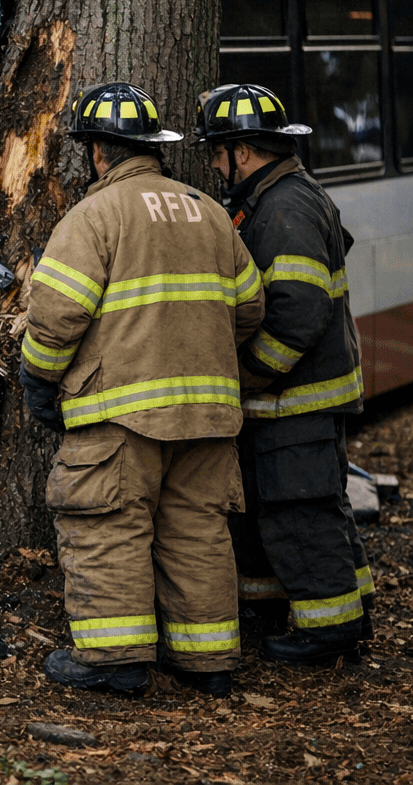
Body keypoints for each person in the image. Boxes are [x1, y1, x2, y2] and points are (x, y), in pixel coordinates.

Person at [19, 82, 264, 698]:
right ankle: (206, 662)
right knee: (197, 530)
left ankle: (114, 660)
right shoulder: (208, 210)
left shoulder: (95, 216)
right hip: (209, 416)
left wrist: (38, 378)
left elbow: (56, 316)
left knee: (109, 525)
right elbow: (251, 309)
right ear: (153, 148)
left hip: (119, 415)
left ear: (99, 151)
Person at [194, 83, 372, 665]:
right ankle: (317, 612)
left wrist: (247, 378)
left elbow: (298, 313)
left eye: (216, 154)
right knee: (297, 509)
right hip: (296, 401)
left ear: (242, 151)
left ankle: (328, 632)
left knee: (299, 512)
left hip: (294, 399)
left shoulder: (285, 207)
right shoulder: (281, 195)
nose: (215, 167)